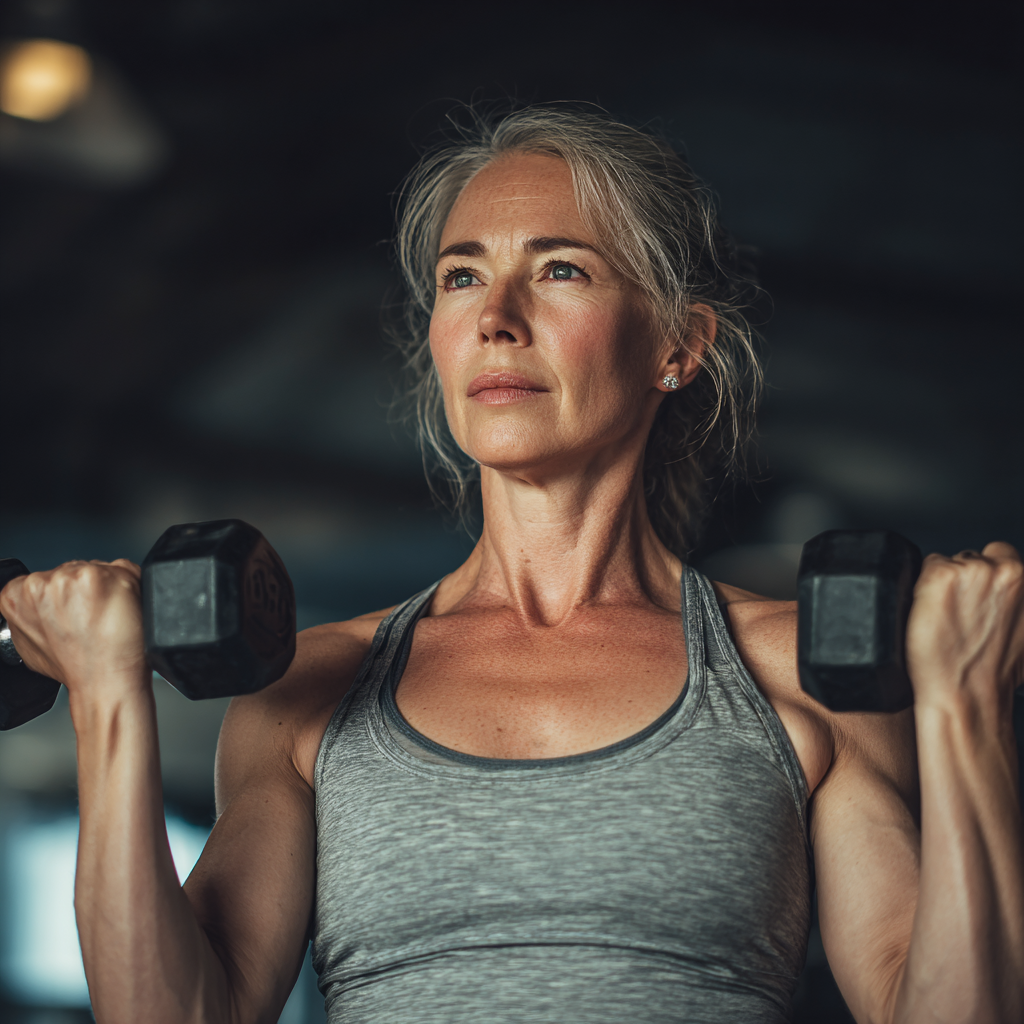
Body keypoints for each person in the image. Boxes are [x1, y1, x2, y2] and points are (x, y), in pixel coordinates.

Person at [1, 106, 1022, 1024]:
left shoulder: (801, 673)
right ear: (437, 342)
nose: (496, 314)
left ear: (676, 342)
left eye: (560, 268)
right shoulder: (305, 691)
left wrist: (964, 706)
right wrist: (107, 699)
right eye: (461, 275)